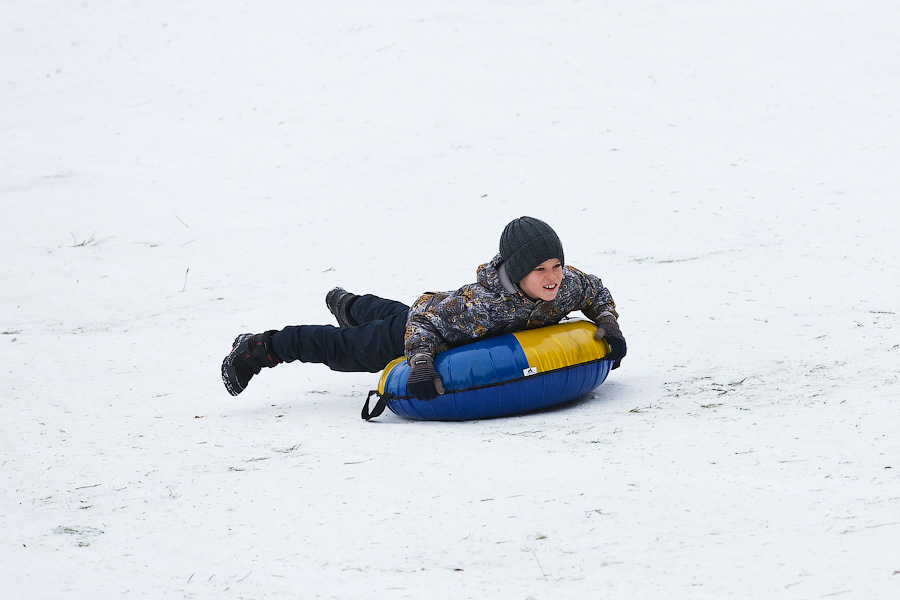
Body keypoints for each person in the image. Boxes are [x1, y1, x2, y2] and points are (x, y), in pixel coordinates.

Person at [221, 216, 626, 399]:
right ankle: (261, 347)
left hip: (424, 312)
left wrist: (609, 322)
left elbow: (595, 291)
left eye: (556, 265)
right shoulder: (481, 307)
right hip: (423, 328)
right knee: (348, 348)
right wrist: (421, 365)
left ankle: (351, 304)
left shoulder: (566, 285)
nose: (552, 277)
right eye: (540, 270)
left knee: (393, 313)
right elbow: (424, 325)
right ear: (518, 273)